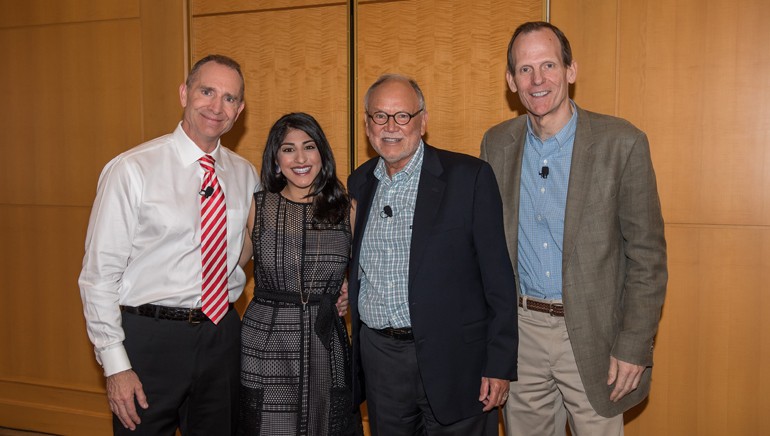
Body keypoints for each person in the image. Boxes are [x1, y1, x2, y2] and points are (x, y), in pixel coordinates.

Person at [479, 21, 668, 436]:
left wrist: (634, 344)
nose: (538, 80)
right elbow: (486, 251)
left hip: (594, 336)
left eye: (548, 65)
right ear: (511, 80)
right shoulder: (495, 145)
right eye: (525, 70)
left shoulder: (622, 142)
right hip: (522, 335)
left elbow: (647, 258)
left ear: (571, 70)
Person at [79, 54, 259, 435]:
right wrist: (116, 366)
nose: (216, 106)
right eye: (206, 91)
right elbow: (98, 277)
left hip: (220, 333)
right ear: (184, 93)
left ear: (240, 109)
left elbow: (252, 249)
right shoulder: (132, 169)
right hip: (149, 339)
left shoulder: (245, 174)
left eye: (229, 98)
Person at [347, 74, 518, 435]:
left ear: (423, 121)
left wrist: (499, 365)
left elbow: (499, 279)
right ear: (367, 124)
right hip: (382, 362)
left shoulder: (469, 177)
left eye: (402, 116)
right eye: (380, 116)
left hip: (457, 361)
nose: (391, 127)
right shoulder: (360, 182)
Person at [237, 112, 362, 436]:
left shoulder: (347, 209)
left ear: (322, 153)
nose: (301, 158)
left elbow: (368, 272)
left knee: (324, 424)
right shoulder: (257, 207)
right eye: (288, 149)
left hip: (324, 340)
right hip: (266, 340)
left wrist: (347, 287)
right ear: (276, 159)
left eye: (309, 147)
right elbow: (229, 268)